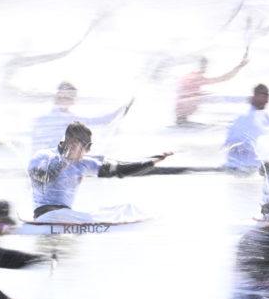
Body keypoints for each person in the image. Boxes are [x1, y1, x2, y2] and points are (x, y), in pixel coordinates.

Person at [28, 121, 172, 219]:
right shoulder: (44, 156)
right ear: (72, 142)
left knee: (124, 209)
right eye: (87, 145)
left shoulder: (83, 163)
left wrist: (150, 162)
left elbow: (119, 170)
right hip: (45, 215)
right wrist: (64, 161)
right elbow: (40, 178)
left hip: (66, 216)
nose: (88, 150)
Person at [31, 81, 130, 153]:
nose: (65, 100)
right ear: (56, 97)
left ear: (73, 100)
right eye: (63, 97)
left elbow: (96, 121)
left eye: (69, 98)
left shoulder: (68, 117)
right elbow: (97, 121)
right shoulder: (50, 119)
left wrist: (119, 112)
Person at [176, 52, 249, 126]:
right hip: (182, 109)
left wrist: (240, 66)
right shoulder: (194, 78)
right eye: (203, 65)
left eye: (205, 65)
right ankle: (181, 118)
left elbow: (224, 78)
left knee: (200, 98)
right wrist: (240, 66)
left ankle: (182, 118)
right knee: (201, 98)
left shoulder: (193, 77)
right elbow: (224, 78)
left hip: (182, 110)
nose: (205, 68)